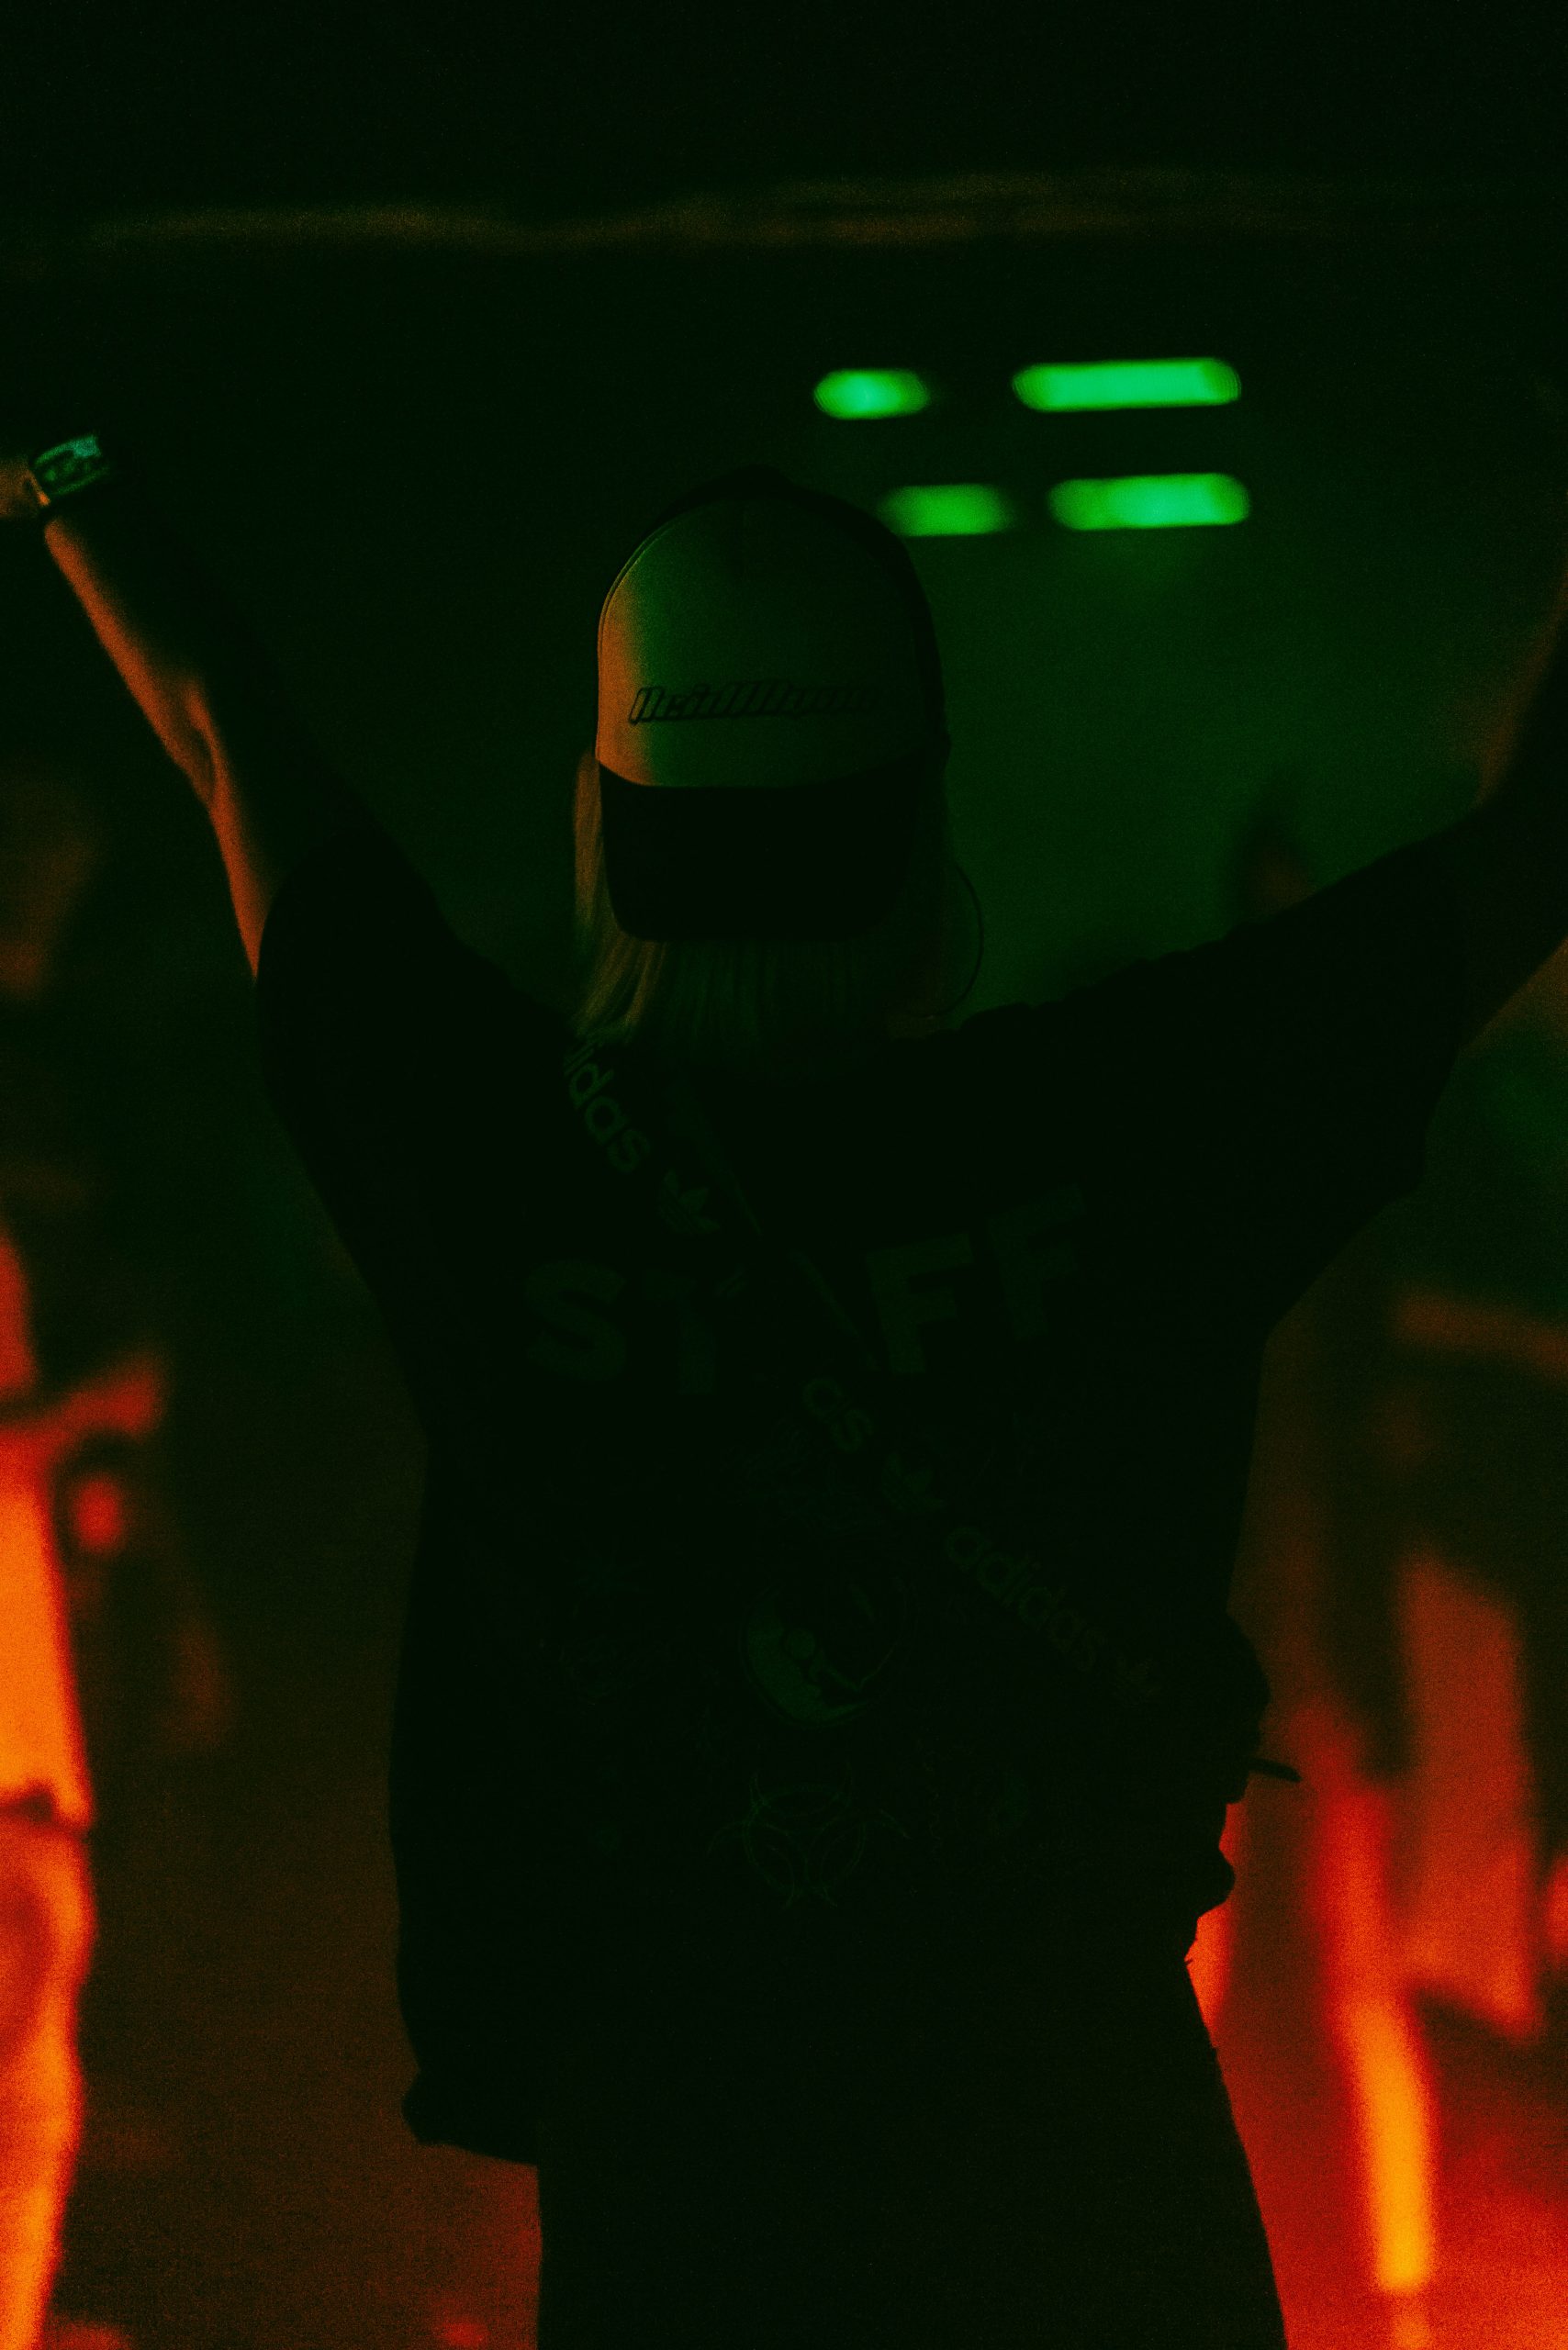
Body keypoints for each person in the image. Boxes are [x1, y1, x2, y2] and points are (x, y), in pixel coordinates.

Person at [2, 431, 1564, 2350]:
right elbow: (1533, 845)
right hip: (1094, 2202)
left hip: (681, 2216)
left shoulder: (494, 1162)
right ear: (921, 822)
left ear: (603, 825)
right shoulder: (1127, 1125)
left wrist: (64, 464)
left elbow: (224, 727)